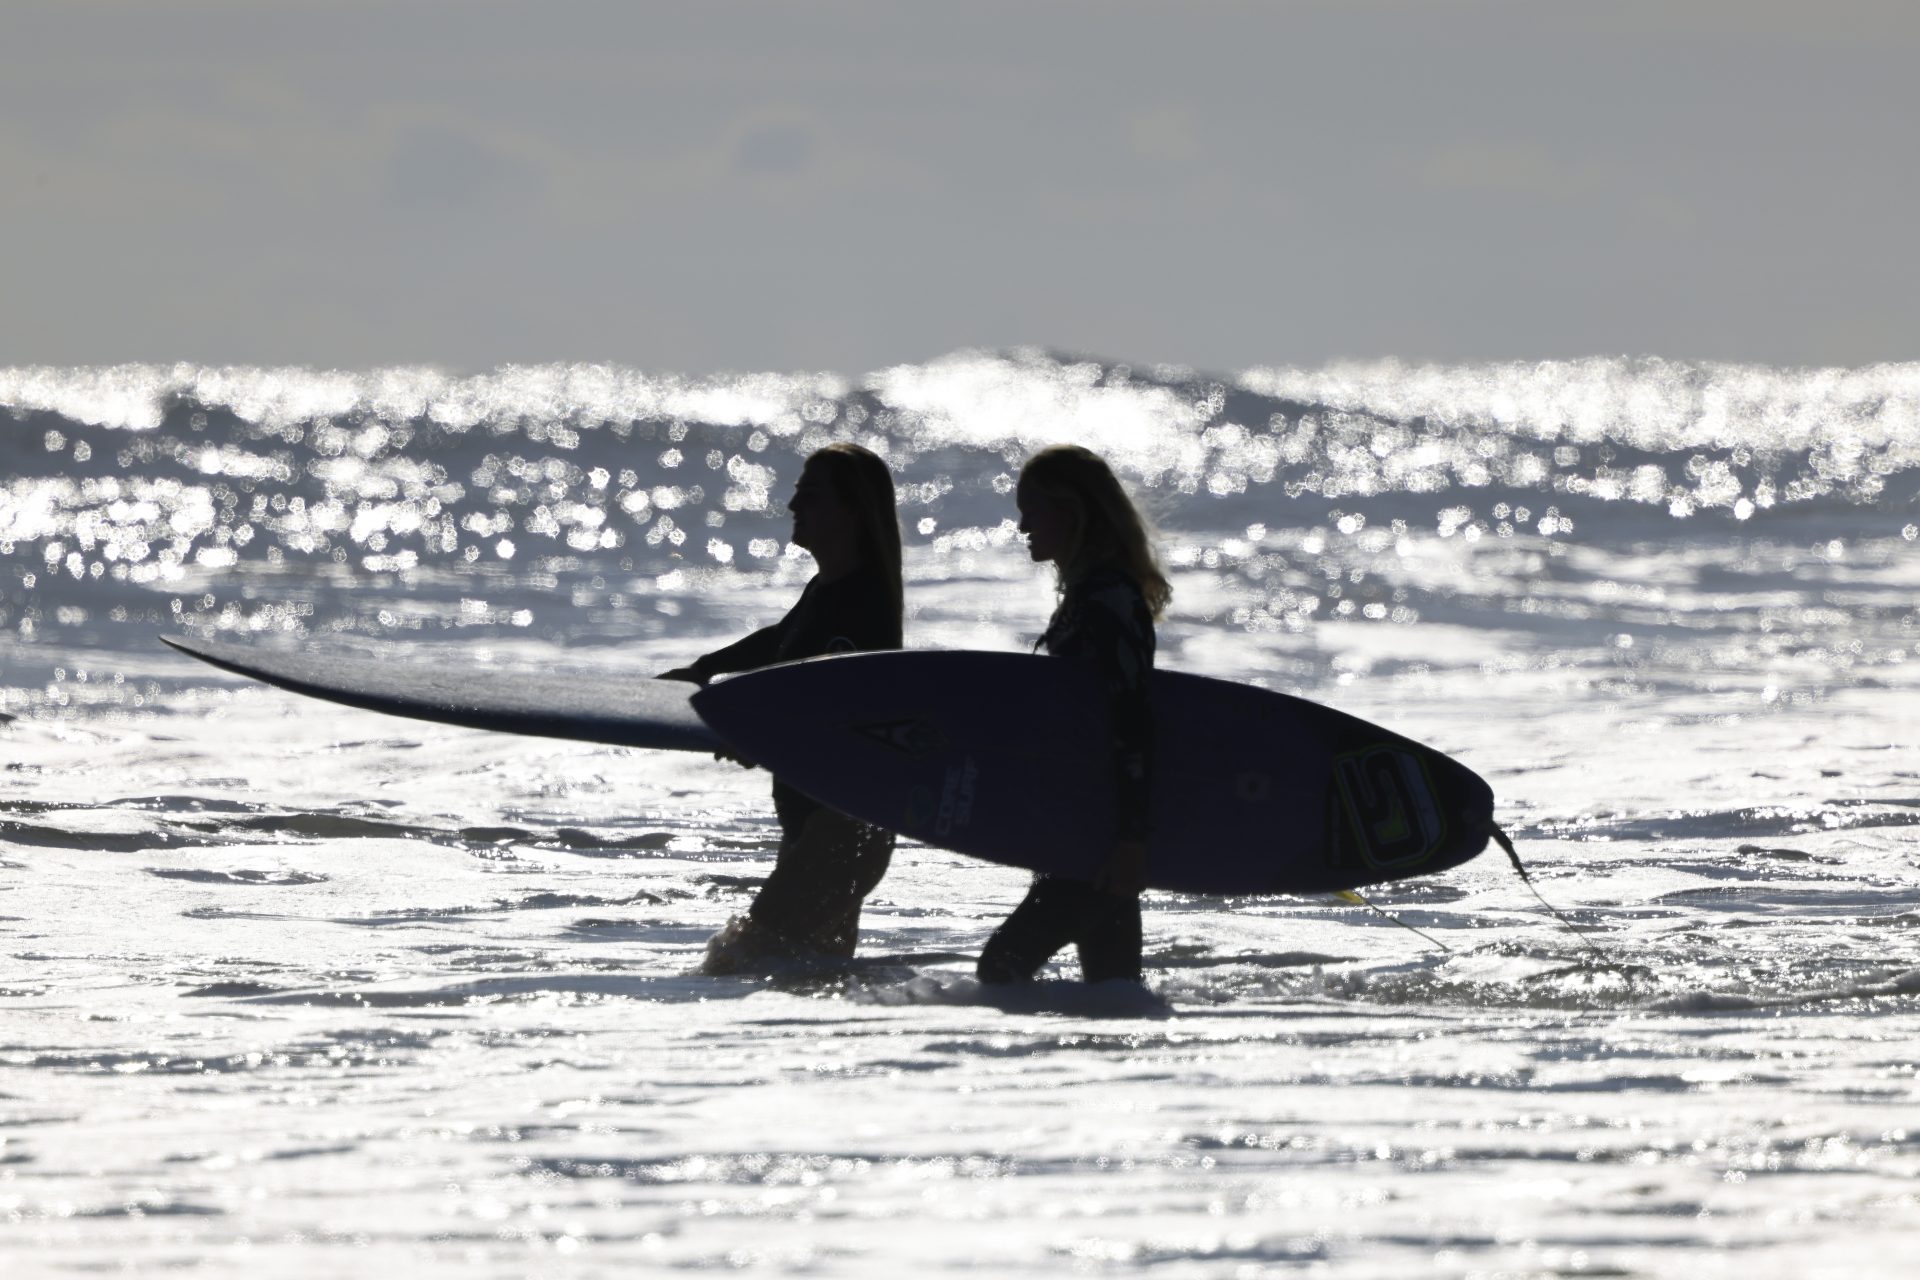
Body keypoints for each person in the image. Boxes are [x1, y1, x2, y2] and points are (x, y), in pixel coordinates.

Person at [659, 443, 903, 970]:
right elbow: (781, 642)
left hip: (843, 828)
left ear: (852, 511)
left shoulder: (860, 606)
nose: (794, 508)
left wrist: (760, 733)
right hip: (822, 825)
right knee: (808, 987)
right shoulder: (830, 590)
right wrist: (708, 668)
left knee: (735, 968)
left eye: (810, 497)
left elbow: (840, 705)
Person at [976, 444, 1171, 986]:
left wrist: (1130, 841)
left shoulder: (1107, 599)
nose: (1022, 527)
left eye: (1032, 511)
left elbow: (1132, 718)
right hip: (1089, 833)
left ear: (1073, 511)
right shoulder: (1095, 594)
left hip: (1097, 839)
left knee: (1001, 969)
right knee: (1114, 996)